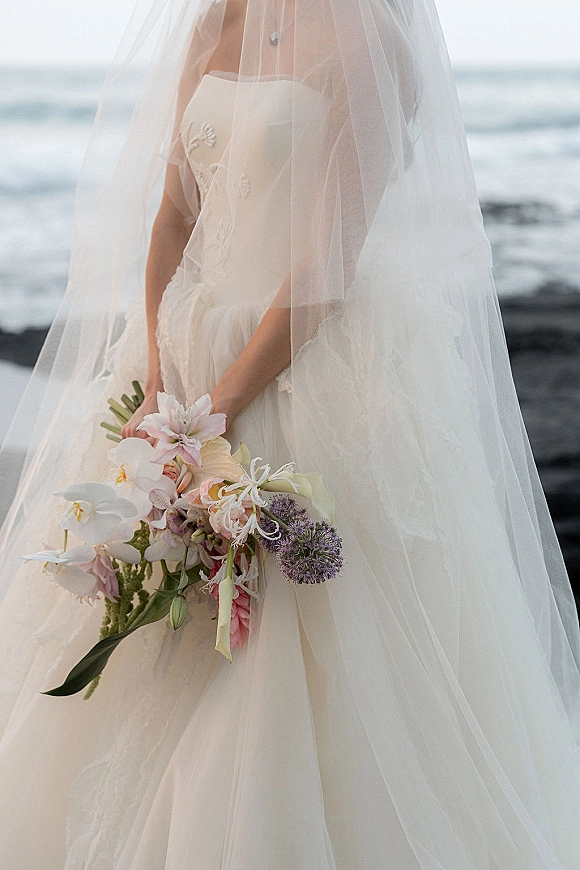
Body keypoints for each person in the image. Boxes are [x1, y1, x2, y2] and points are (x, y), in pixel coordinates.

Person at [0, 0, 579, 866]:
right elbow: (170, 215)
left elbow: (327, 267)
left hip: (309, 367)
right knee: (152, 613)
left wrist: (217, 413)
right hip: (182, 362)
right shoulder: (213, 21)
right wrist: (161, 386)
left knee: (286, 629)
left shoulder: (374, 41)